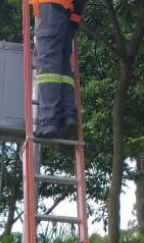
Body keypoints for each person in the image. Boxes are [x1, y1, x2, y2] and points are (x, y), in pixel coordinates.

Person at [32, 0, 87, 139]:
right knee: (63, 67)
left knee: (48, 66)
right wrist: (75, 18)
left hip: (49, 9)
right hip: (67, 13)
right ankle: (68, 116)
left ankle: (49, 121)